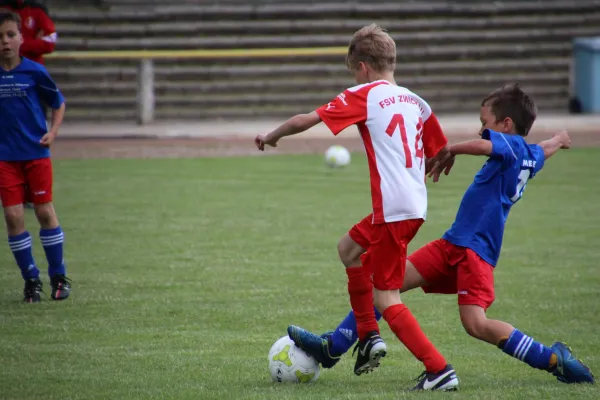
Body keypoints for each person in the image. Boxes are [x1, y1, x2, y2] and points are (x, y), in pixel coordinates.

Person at [287, 83, 595, 387]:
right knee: (383, 284)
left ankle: (553, 360)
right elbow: (544, 149)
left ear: (506, 124)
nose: (481, 131)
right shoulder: (528, 154)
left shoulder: (510, 146)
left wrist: (451, 148)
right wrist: (560, 139)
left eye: (484, 124)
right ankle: (334, 347)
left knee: (476, 324)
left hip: (475, 253)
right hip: (451, 245)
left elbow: (485, 146)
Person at [255, 23, 459, 391]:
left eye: (352, 71)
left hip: (393, 210)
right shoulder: (416, 101)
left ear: (362, 67)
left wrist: (271, 136)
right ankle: (368, 334)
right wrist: (438, 161)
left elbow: (308, 119)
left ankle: (438, 368)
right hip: (411, 206)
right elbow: (440, 150)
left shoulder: (364, 94)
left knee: (387, 295)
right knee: (348, 249)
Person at [0, 10, 71, 303]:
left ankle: (58, 275)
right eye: (0, 37)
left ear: (21, 38)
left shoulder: (34, 72)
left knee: (43, 211)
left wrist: (52, 133)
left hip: (35, 154)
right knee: (13, 216)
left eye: (10, 35)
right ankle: (31, 280)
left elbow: (58, 102)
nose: (4, 41)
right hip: (4, 158)